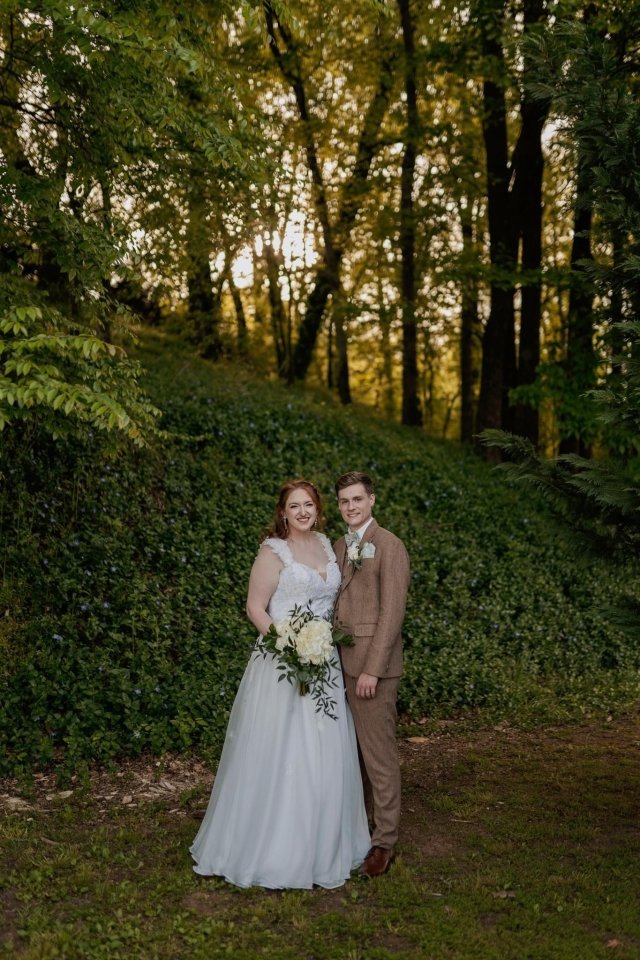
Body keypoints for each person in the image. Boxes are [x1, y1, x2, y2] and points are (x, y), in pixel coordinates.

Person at [190, 479, 370, 889]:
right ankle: (269, 848)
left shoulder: (328, 545)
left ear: (318, 509)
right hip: (282, 664)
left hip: (324, 661)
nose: (303, 511)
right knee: (281, 750)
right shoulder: (273, 551)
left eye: (308, 504)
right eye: (294, 506)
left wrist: (316, 645)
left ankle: (323, 846)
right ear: (283, 512)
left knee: (325, 750)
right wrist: (288, 645)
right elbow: (255, 607)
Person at [332, 471, 410, 878]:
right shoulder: (339, 546)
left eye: (357, 499)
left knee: (379, 758)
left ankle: (384, 842)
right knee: (352, 757)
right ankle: (360, 830)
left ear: (372, 500)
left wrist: (373, 672)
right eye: (344, 501)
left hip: (371, 670)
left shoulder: (390, 545)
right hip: (339, 665)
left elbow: (392, 616)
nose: (351, 507)